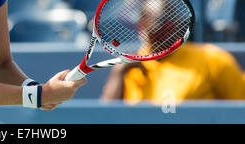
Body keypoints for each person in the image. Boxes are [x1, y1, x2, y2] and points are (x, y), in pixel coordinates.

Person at [101, 42, 245, 102]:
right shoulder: (128, 68)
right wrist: (118, 72)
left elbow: (239, 109)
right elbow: (106, 116)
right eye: (154, 28)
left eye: (167, 25)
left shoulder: (213, 59)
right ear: (142, 26)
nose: (161, 34)